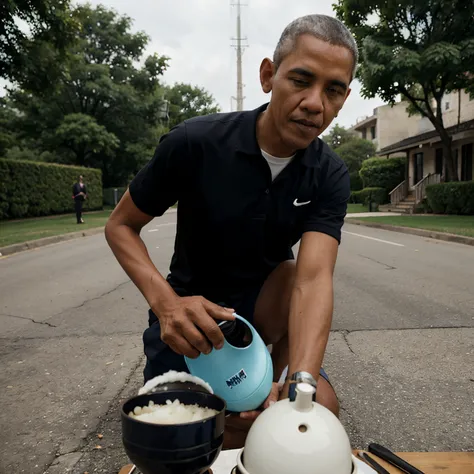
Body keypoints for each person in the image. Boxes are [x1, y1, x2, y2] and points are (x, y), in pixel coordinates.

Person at [105, 14, 357, 448]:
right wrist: (167, 306)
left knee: (317, 412)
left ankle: (274, 378)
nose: (315, 103)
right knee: (198, 429)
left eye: (333, 90)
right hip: (193, 321)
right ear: (268, 76)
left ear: (344, 98)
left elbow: (314, 279)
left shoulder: (330, 173)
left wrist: (300, 385)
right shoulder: (194, 143)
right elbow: (121, 226)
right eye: (301, 79)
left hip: (266, 318)